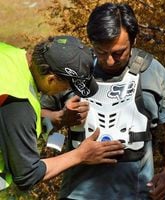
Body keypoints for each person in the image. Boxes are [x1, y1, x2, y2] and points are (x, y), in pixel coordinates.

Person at [41, 3, 165, 200]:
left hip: (136, 193)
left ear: (134, 40)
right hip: (77, 193)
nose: (109, 60)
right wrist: (61, 118)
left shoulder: (152, 72)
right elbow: (37, 114)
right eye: (101, 52)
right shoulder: (72, 69)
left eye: (118, 53)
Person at [0, 35, 125, 191]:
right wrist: (81, 155)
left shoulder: (8, 54)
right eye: (67, 87)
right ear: (51, 79)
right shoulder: (19, 101)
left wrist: (59, 119)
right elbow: (27, 175)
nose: (66, 91)